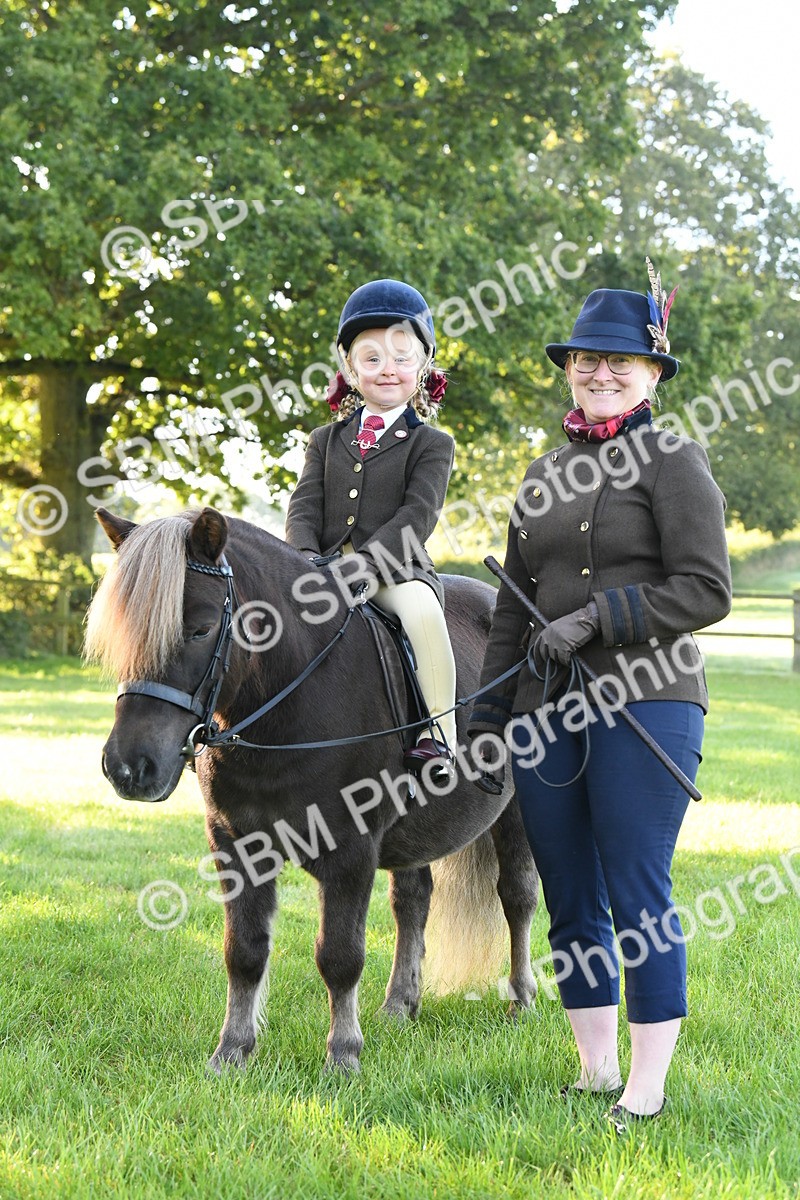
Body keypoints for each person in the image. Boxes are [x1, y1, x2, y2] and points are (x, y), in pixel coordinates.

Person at [468, 264, 732, 1132]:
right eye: (586, 359)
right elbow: (511, 606)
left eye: (620, 361)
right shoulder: (541, 472)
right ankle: (593, 1069)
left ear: (653, 371)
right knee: (571, 891)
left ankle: (647, 1086)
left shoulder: (675, 460)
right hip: (545, 711)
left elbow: (705, 589)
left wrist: (597, 620)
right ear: (569, 368)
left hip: (648, 705)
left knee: (635, 887)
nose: (601, 371)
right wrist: (486, 720)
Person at [285, 278, 457, 772]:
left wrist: (361, 568)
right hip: (318, 563)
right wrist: (300, 560)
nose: (388, 371)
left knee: (423, 614)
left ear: (422, 367)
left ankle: (438, 736)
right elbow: (304, 505)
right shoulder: (324, 438)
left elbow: (416, 517)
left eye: (402, 359)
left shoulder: (432, 444)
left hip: (394, 570)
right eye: (373, 358)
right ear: (349, 367)